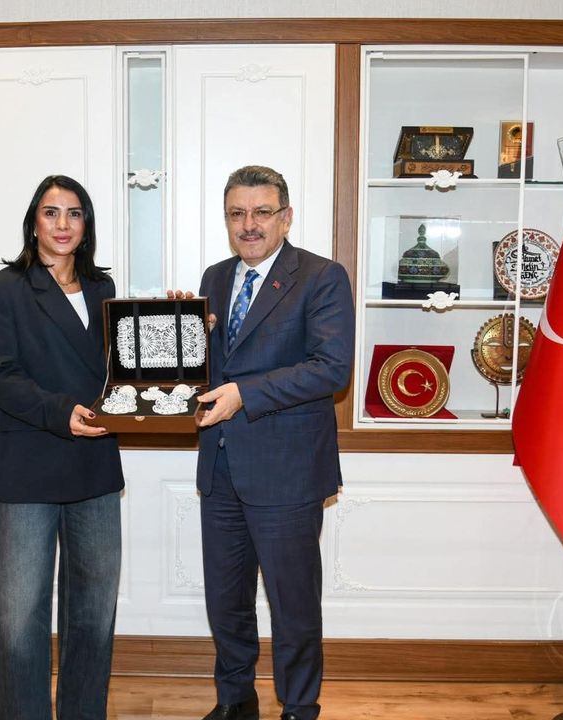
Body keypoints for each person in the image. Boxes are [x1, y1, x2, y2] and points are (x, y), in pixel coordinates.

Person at [193, 165, 355, 720]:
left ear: (286, 217)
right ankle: (235, 700)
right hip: (220, 469)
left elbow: (330, 368)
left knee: (293, 607)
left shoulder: (321, 276)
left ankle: (299, 708)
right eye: (237, 213)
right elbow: (211, 368)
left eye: (262, 212)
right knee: (226, 601)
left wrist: (245, 394)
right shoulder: (215, 278)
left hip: (287, 472)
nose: (249, 225)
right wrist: (183, 332)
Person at [0, 175, 123, 720]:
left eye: (74, 213)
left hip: (94, 466)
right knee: (18, 619)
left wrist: (185, 328)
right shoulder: (4, 289)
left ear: (87, 225)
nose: (63, 224)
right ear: (33, 222)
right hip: (28, 468)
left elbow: (123, 369)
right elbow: (0, 377)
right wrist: (61, 412)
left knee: (93, 613)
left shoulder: (104, 290)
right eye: (51, 212)